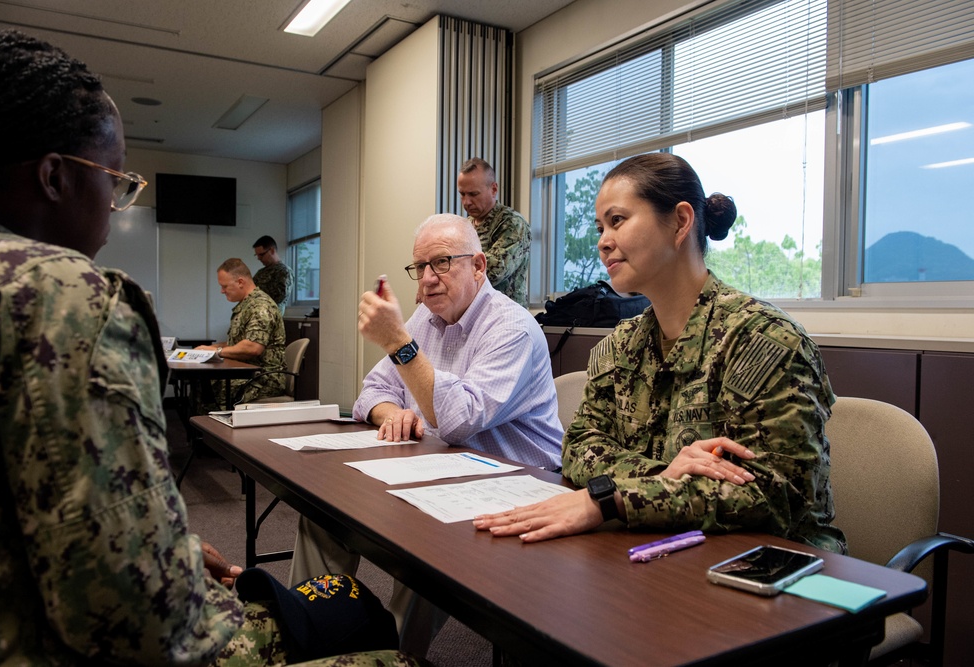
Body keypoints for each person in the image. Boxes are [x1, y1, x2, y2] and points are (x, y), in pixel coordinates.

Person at [0, 28, 417, 667]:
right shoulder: (65, 297)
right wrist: (177, 557)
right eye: (116, 181)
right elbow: (140, 614)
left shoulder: (260, 304)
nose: (115, 204)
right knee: (358, 618)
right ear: (52, 178)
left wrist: (169, 543)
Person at [474, 153, 846, 555]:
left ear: (681, 222)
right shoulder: (619, 345)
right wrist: (663, 477)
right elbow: (578, 447)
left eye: (617, 221)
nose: (602, 241)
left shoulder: (765, 341)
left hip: (779, 568)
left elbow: (776, 495)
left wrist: (612, 498)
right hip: (663, 548)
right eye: (600, 227)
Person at [290, 213, 564, 654]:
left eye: (441, 263)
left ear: (479, 266)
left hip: (517, 483)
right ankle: (302, 635)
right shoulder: (424, 319)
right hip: (445, 467)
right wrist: (391, 413)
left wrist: (399, 343)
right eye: (420, 267)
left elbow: (458, 421)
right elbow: (371, 392)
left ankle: (391, 657)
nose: (428, 280)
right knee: (323, 514)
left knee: (424, 548)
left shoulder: (511, 327)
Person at [196, 258, 287, 406]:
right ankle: (203, 427)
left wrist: (216, 352)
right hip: (246, 373)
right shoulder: (247, 304)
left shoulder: (260, 306)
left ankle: (216, 428)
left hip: (263, 379)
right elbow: (237, 343)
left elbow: (252, 347)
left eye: (224, 286)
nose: (222, 291)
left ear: (240, 282)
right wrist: (208, 349)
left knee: (212, 388)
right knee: (202, 384)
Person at [457, 158, 530, 307]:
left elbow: (492, 270)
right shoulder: (465, 225)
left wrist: (447, 272)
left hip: (505, 315)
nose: (466, 202)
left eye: (473, 194)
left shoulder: (512, 223)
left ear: (494, 189)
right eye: (462, 194)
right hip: (472, 316)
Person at [252, 234, 293, 315]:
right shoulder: (260, 272)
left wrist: (257, 294)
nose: (259, 258)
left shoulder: (284, 271)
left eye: (261, 255)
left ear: (272, 250)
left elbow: (279, 296)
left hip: (271, 318)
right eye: (257, 255)